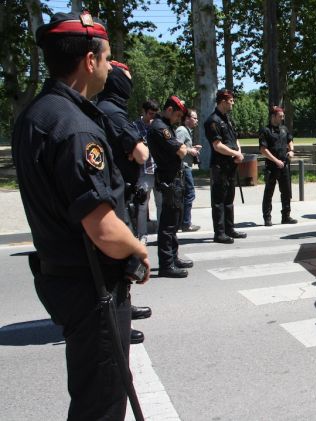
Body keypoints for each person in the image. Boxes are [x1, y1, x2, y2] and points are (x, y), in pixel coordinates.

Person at [12, 12, 150, 419]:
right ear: (89, 61)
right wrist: (139, 248)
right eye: (107, 58)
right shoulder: (76, 128)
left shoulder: (38, 114)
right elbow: (104, 229)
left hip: (65, 278)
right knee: (102, 403)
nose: (109, 67)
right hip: (93, 286)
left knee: (92, 395)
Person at [97, 60, 152, 345]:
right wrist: (134, 150)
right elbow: (141, 153)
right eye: (127, 79)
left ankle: (124, 309)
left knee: (122, 263)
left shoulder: (108, 109)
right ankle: (118, 320)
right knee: (120, 261)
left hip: (121, 192)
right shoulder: (112, 113)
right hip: (116, 195)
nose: (130, 84)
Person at [148, 95, 193, 278]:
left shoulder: (166, 126)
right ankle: (167, 263)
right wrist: (182, 149)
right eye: (176, 115)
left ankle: (173, 257)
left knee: (174, 222)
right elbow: (182, 150)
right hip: (169, 179)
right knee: (168, 224)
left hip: (173, 179)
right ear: (169, 110)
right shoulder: (160, 128)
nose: (178, 119)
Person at [205, 89, 247, 243]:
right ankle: (220, 233)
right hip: (220, 166)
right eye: (231, 100)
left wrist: (238, 152)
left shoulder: (228, 119)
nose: (233, 103)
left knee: (229, 199)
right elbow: (217, 145)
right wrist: (234, 154)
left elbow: (235, 139)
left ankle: (230, 229)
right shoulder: (212, 121)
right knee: (219, 201)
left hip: (231, 164)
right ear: (223, 101)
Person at [260, 106, 298, 226]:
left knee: (286, 191)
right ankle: (267, 217)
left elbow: (290, 140)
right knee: (269, 192)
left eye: (283, 116)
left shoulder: (284, 129)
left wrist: (291, 150)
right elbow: (263, 150)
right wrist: (276, 161)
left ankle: (286, 216)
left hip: (284, 164)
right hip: (272, 165)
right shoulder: (265, 130)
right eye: (280, 116)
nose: (282, 118)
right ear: (273, 116)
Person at [133, 99, 159, 243]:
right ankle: (142, 235)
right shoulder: (135, 126)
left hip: (158, 170)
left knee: (161, 203)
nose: (152, 117)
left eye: (155, 114)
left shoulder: (157, 125)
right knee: (142, 205)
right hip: (144, 170)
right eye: (150, 113)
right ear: (143, 111)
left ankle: (163, 234)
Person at [175, 108, 201, 232]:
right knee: (189, 194)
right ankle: (185, 223)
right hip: (183, 167)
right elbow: (176, 146)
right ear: (187, 119)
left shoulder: (186, 131)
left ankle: (183, 222)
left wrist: (192, 148)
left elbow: (183, 146)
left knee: (186, 195)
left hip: (186, 166)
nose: (197, 120)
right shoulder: (181, 130)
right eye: (194, 118)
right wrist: (191, 150)